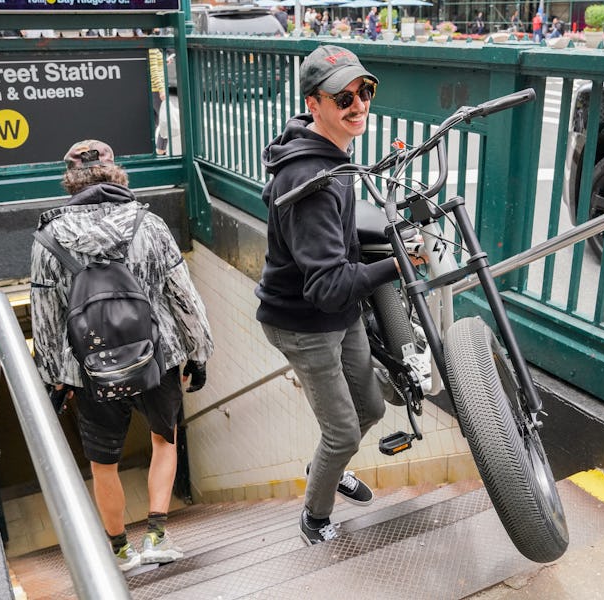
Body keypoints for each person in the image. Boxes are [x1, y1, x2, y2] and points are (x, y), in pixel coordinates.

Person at [30, 140, 214, 571]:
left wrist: (54, 378)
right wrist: (198, 352)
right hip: (157, 357)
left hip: (87, 369)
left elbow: (46, 317)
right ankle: (156, 535)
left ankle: (119, 551)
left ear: (70, 181)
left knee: (103, 464)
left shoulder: (48, 237)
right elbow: (183, 296)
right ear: (117, 174)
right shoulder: (149, 225)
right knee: (163, 440)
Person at [255, 45, 411, 545]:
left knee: (370, 408)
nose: (358, 105)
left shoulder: (329, 151)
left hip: (337, 312)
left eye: (365, 91)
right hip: (302, 323)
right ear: (314, 103)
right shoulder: (310, 180)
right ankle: (315, 518)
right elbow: (325, 286)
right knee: (343, 431)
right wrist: (399, 263)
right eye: (343, 97)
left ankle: (326, 463)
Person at [148, 47, 168, 155]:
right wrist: (161, 89)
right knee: (166, 121)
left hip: (154, 90)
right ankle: (161, 150)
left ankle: (150, 149)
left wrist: (164, 63)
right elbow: (153, 71)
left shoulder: (153, 47)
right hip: (156, 90)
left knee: (154, 121)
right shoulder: (152, 48)